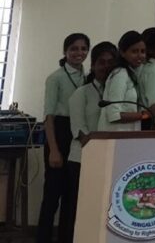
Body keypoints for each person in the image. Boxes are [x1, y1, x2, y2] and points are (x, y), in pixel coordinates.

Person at [38, 32, 89, 243]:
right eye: (74, 49)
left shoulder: (88, 78)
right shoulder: (56, 78)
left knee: (72, 194)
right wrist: (54, 150)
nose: (79, 53)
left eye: (83, 49)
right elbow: (48, 116)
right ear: (65, 51)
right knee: (52, 194)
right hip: (58, 134)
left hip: (79, 134)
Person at [65, 41, 116, 243]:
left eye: (111, 62)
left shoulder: (116, 93)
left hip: (108, 159)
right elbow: (79, 129)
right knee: (78, 208)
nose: (106, 66)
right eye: (101, 62)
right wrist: (97, 149)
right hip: (81, 159)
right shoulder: (82, 93)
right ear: (93, 65)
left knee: (102, 208)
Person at [103, 31, 155, 132]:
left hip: (129, 135)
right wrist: (147, 114)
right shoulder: (120, 74)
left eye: (142, 51)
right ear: (122, 52)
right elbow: (114, 115)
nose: (140, 55)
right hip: (115, 135)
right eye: (134, 51)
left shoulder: (133, 73)